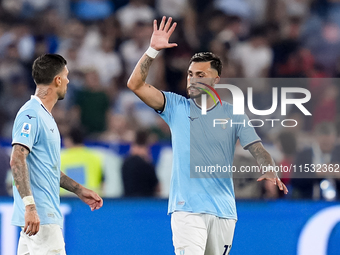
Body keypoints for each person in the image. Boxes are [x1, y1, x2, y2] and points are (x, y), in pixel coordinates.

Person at [127, 16, 288, 255]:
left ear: (215, 80)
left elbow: (257, 149)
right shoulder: (175, 106)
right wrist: (152, 50)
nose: (192, 79)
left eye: (200, 75)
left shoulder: (233, 114)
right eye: (190, 74)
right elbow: (135, 84)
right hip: (187, 210)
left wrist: (269, 168)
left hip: (223, 211)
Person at [10, 54, 103, 255]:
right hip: (41, 218)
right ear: (57, 80)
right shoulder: (31, 114)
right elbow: (17, 159)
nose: (68, 81)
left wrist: (78, 189)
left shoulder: (44, 115)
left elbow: (46, 168)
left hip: (37, 220)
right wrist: (31, 207)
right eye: (66, 76)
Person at [60, 126, 104, 196]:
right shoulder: (96, 157)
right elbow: (103, 182)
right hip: (91, 198)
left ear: (69, 140)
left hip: (66, 200)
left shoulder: (60, 157)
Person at [121, 129, 159, 197]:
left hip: (128, 202)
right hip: (147, 202)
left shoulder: (125, 163)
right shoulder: (147, 165)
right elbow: (157, 188)